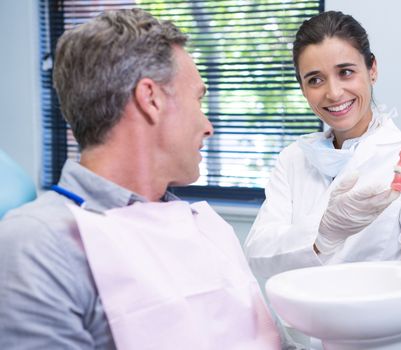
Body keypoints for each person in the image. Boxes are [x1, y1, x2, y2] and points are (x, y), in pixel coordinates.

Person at [0, 9, 293, 350]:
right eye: (198, 99)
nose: (208, 125)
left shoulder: (201, 226)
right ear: (150, 99)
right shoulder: (37, 245)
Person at [244, 11, 401, 282]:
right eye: (315, 80)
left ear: (372, 70)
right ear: (302, 89)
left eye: (345, 72)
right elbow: (258, 258)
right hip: (301, 323)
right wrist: (321, 235)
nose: (333, 93)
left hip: (377, 322)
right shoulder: (293, 159)